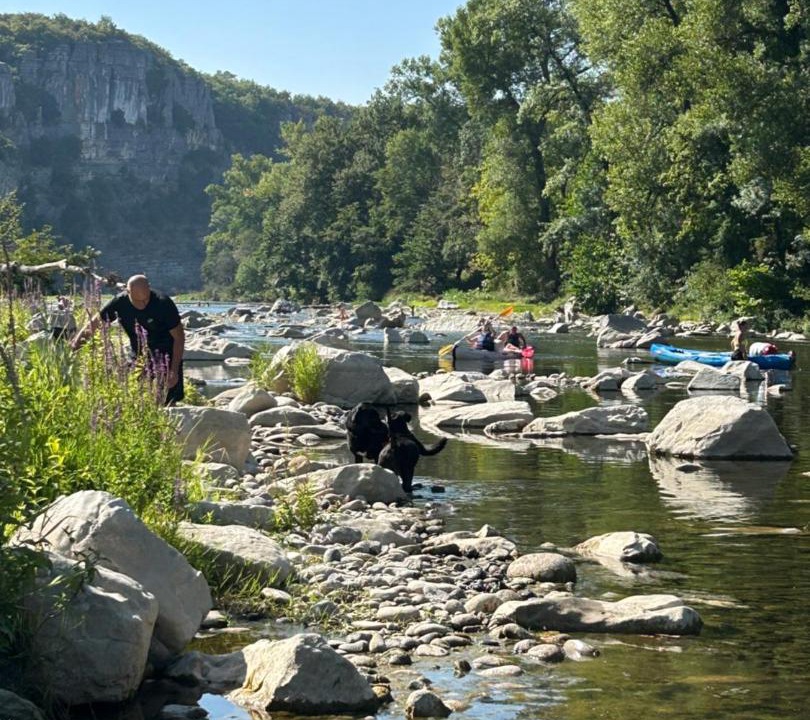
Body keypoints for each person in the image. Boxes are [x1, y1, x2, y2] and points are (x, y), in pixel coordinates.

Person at [71, 275, 185, 405]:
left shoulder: (163, 303)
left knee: (167, 399)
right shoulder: (120, 302)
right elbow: (94, 324)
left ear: (149, 288)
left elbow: (179, 338)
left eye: (146, 300)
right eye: (138, 301)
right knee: (133, 393)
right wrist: (74, 347)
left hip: (167, 354)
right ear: (128, 292)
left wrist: (174, 370)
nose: (143, 305)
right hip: (139, 352)